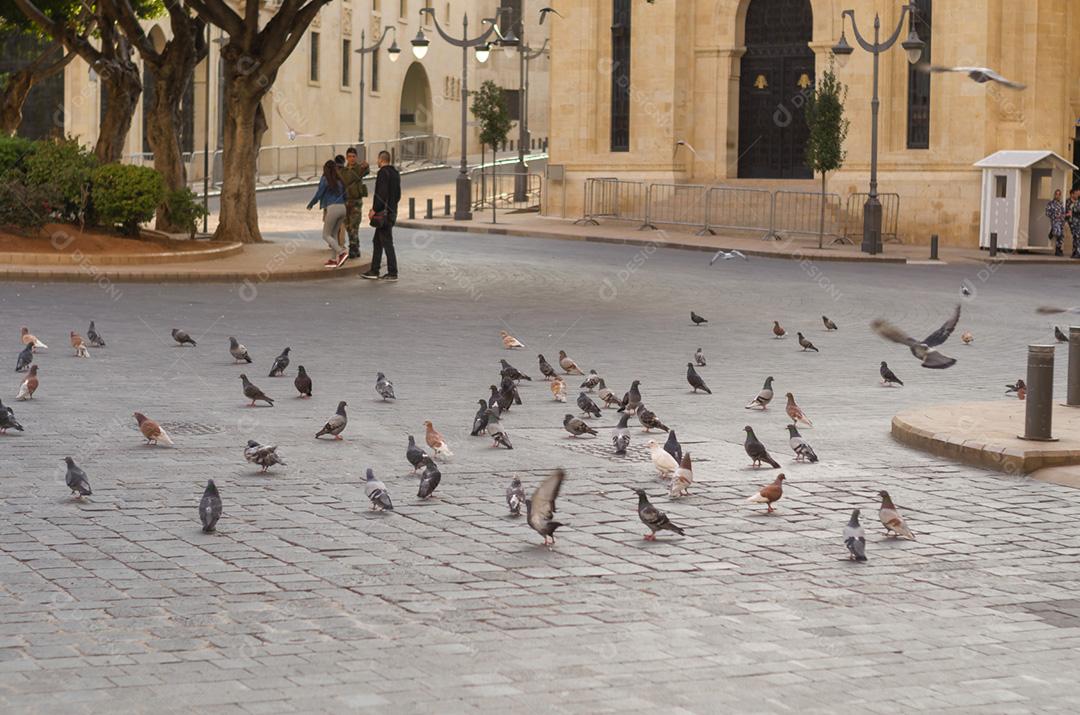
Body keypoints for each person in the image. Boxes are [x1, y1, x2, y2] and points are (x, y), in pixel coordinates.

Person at [362, 150, 402, 281]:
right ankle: (374, 270)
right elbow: (398, 195)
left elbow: (381, 193)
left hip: (383, 214)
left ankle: (392, 272)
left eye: (378, 160)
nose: (377, 162)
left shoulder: (383, 173)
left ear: (381, 159)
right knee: (377, 242)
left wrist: (374, 209)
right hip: (392, 211)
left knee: (387, 242)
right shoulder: (395, 173)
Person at [307, 160, 349, 268]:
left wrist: (311, 203)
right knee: (334, 234)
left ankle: (341, 253)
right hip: (343, 208)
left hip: (333, 208)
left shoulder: (325, 179)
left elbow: (319, 193)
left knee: (325, 235)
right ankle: (333, 259)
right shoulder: (340, 180)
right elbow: (346, 195)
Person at [341, 147, 370, 260]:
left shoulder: (359, 168)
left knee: (354, 225)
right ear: (346, 158)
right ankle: (356, 247)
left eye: (353, 156)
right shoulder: (343, 170)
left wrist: (366, 166)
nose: (352, 158)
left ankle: (353, 248)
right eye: (349, 156)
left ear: (356, 157)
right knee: (348, 226)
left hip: (356, 202)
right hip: (346, 202)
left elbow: (366, 171)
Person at [1046, 188, 1067, 257]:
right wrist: (1054, 216)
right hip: (1055, 221)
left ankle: (1059, 248)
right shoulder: (1050, 203)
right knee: (1058, 234)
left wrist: (1063, 218)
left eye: (1059, 194)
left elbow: (1063, 212)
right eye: (1056, 194)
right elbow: (1047, 213)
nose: (1057, 196)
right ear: (1054, 195)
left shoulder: (1061, 204)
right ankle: (1057, 250)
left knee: (1061, 236)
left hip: (1061, 222)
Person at [1067, 187, 1080, 259]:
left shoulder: (1078, 202)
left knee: (1077, 237)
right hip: (1072, 223)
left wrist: (1072, 211)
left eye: (1077, 194)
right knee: (1075, 238)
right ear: (1072, 194)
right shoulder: (1069, 202)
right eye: (1076, 194)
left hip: (1077, 223)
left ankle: (1078, 253)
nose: (1077, 195)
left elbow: (1076, 210)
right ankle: (1075, 252)